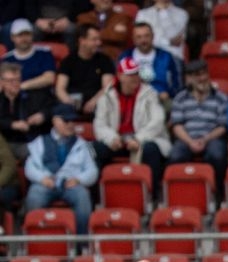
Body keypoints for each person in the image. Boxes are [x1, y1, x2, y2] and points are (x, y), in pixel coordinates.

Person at [91, 53, 165, 181]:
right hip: (117, 140)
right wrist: (112, 138)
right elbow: (100, 124)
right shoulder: (107, 96)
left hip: (142, 139)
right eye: (130, 74)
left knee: (150, 150)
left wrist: (138, 139)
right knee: (96, 148)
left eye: (136, 73)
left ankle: (152, 191)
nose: (134, 77)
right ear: (120, 76)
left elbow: (158, 120)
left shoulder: (149, 93)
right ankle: (101, 190)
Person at [24, 102, 94, 223]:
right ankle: (36, 234)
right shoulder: (40, 141)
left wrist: (79, 179)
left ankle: (82, 235)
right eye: (66, 121)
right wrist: (42, 178)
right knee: (34, 196)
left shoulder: (82, 144)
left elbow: (92, 170)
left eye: (72, 121)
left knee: (83, 196)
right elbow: (30, 167)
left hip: (71, 183)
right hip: (45, 183)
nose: (70, 124)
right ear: (55, 121)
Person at [167, 56, 227, 170]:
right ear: (189, 79)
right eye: (197, 75)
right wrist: (190, 142)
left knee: (217, 155)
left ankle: (218, 182)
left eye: (204, 74)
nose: (202, 78)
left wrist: (205, 139)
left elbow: (222, 127)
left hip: (212, 138)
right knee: (176, 156)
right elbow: (177, 126)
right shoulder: (180, 98)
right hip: (186, 138)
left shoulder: (221, 98)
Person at [55, 24, 113, 115]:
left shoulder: (105, 60)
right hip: (72, 102)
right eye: (94, 39)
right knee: (57, 114)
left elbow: (107, 87)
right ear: (82, 41)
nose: (99, 43)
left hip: (96, 103)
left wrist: (94, 102)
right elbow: (60, 88)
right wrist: (69, 102)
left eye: (99, 39)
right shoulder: (68, 61)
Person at [122, 20, 178, 97]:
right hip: (133, 98)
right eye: (139, 37)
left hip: (160, 97)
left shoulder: (166, 57)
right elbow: (120, 82)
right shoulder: (125, 57)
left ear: (153, 36)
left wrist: (168, 93)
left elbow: (175, 82)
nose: (143, 40)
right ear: (133, 39)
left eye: (146, 36)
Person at [3, 21, 53, 92]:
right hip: (15, 96)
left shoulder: (44, 52)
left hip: (41, 94)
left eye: (27, 34)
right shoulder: (7, 59)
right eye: (20, 35)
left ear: (32, 35)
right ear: (12, 37)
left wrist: (22, 86)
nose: (24, 39)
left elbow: (49, 78)